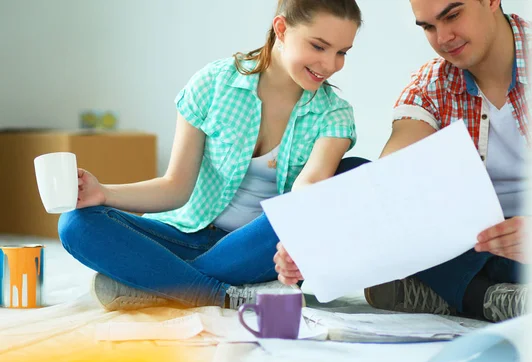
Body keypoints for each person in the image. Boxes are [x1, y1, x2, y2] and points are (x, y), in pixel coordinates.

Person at [58, 0, 363, 311]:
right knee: (75, 223)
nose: (329, 65)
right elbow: (175, 187)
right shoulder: (213, 84)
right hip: (184, 234)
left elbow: (308, 190)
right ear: (281, 29)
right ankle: (220, 294)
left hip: (260, 248)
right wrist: (104, 193)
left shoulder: (334, 114)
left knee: (346, 178)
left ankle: (158, 280)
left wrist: (293, 239)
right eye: (318, 46)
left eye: (341, 52)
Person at [274, 0, 531, 323]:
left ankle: (455, 295)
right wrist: (313, 237)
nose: (443, 38)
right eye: (428, 27)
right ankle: (489, 298)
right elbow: (387, 185)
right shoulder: (429, 87)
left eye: (453, 15)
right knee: (352, 172)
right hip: (471, 249)